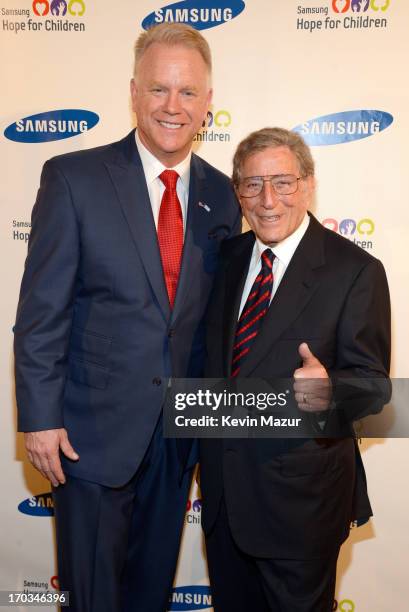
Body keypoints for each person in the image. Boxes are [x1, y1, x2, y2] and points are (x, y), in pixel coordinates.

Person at [14, 23, 240, 612]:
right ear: (134, 92)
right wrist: (39, 420)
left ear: (208, 103)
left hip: (179, 437)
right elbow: (41, 312)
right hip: (88, 437)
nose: (173, 106)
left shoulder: (224, 194)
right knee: (92, 596)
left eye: (188, 92)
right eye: (159, 89)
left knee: (149, 593)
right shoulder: (74, 178)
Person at [199, 127, 390, 611]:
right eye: (251, 184)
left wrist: (327, 394)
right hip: (223, 502)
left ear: (308, 184)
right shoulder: (225, 259)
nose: (267, 200)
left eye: (282, 182)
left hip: (300, 508)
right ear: (237, 191)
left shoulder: (355, 271)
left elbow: (373, 387)